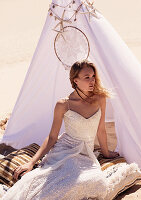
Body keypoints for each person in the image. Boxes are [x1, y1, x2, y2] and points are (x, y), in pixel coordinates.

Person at [2, 60, 119, 200]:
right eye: (87, 77)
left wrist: (106, 153)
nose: (92, 80)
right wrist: (31, 163)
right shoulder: (63, 104)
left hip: (87, 153)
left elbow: (101, 129)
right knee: (55, 184)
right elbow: (52, 137)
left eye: (93, 76)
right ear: (75, 80)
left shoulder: (100, 98)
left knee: (98, 182)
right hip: (66, 150)